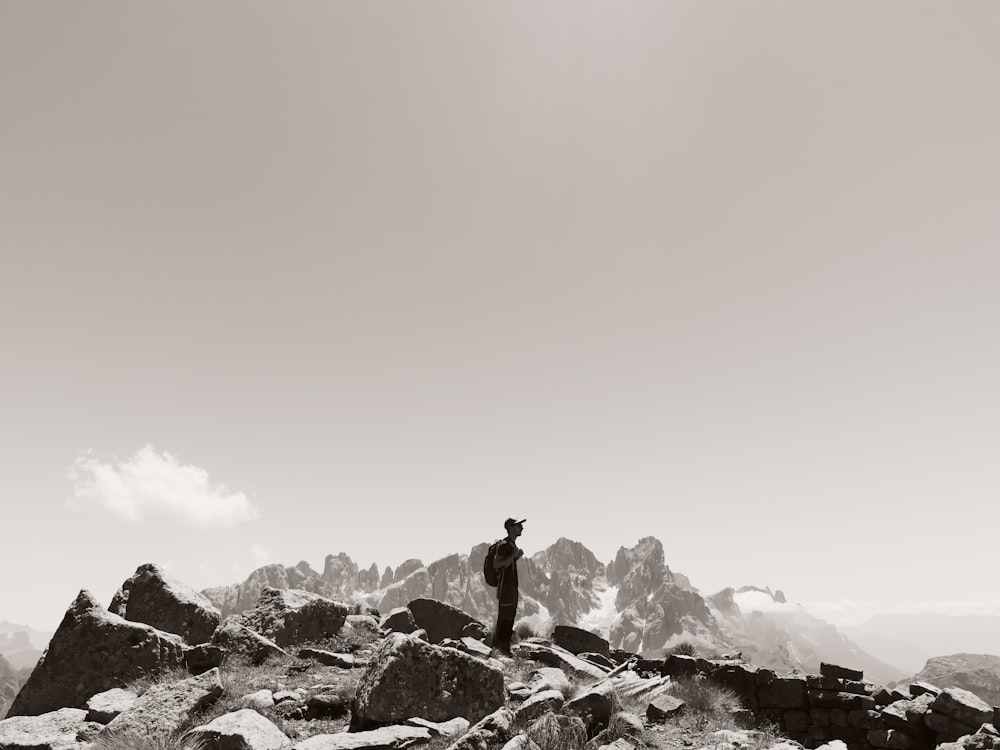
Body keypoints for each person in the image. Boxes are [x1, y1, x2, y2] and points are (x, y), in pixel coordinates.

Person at [492, 517, 525, 656]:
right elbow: (496, 564)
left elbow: (506, 565)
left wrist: (515, 557)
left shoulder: (511, 545)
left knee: (510, 617)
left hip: (511, 587)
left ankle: (504, 648)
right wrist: (513, 555)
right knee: (505, 618)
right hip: (506, 587)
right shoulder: (505, 545)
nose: (522, 528)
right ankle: (499, 650)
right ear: (511, 528)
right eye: (518, 526)